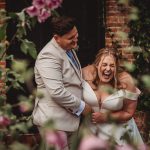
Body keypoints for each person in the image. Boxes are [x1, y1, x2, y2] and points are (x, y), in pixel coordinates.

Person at [32, 16, 92, 150]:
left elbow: (72, 77)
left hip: (69, 121)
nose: (75, 39)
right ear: (56, 37)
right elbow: (57, 92)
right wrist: (82, 107)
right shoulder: (48, 56)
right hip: (54, 122)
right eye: (71, 38)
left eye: (76, 35)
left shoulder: (68, 48)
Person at [82, 48, 144, 146]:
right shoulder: (84, 74)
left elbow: (129, 112)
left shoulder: (126, 81)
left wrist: (106, 117)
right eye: (104, 64)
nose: (108, 69)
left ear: (116, 67)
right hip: (90, 134)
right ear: (97, 65)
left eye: (112, 66)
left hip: (118, 136)